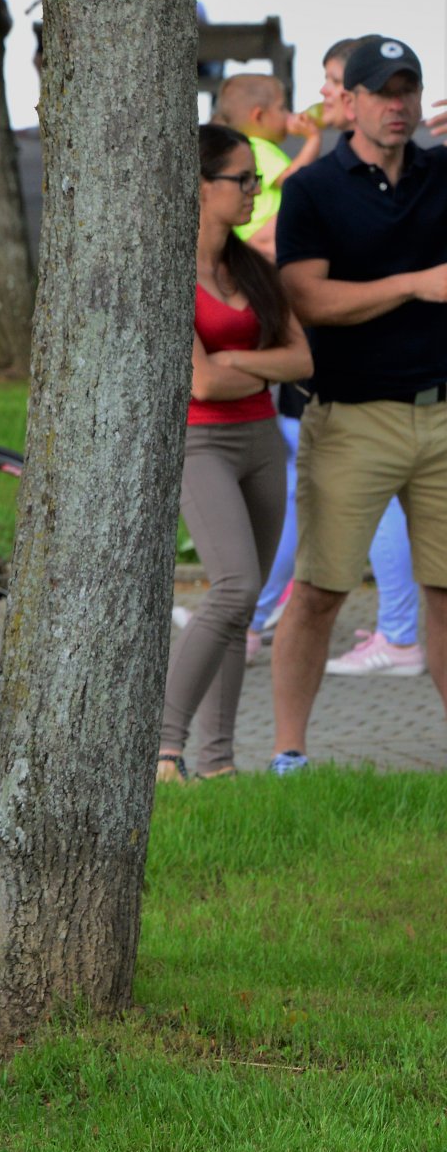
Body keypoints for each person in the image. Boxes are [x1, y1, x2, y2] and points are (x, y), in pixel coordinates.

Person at [269, 36, 447, 774]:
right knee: (319, 590)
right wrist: (413, 284)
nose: (397, 105)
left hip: (442, 412)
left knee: (446, 590)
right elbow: (307, 297)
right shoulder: (314, 190)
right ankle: (289, 752)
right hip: (352, 416)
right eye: (382, 92)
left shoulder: (443, 173)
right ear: (350, 102)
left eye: (408, 90)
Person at [246, 38, 423, 677]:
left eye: (333, 83)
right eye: (327, 83)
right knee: (304, 513)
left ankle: (400, 635)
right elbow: (291, 269)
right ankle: (255, 615)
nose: (322, 96)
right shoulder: (319, 181)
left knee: (385, 526)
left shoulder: (421, 174)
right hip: (331, 383)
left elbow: (262, 239)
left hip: (398, 394)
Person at [157, 125, 313, 783]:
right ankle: (163, 747)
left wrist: (239, 360)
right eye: (242, 179)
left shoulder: (251, 267)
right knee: (235, 585)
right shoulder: (166, 270)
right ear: (200, 186)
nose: (255, 190)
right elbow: (200, 382)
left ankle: (218, 764)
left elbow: (302, 358)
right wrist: (253, 367)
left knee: (242, 604)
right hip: (201, 442)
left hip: (260, 441)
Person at [210, 73, 322, 262]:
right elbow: (291, 180)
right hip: (263, 232)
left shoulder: (255, 148)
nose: (288, 114)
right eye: (282, 108)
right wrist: (313, 140)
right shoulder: (256, 148)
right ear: (259, 116)